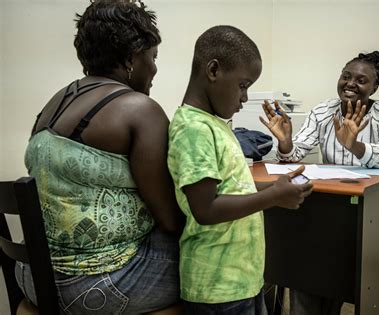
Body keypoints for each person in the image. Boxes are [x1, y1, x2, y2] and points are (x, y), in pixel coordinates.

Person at [15, 1, 184, 314]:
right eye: (153, 57)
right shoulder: (139, 109)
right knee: (220, 262)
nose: (155, 68)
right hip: (100, 286)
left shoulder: (55, 103)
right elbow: (170, 220)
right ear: (133, 57)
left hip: (33, 278)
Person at [167, 25, 314, 315]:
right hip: (216, 288)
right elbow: (206, 208)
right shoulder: (193, 128)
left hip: (241, 280)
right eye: (244, 85)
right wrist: (272, 198)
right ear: (213, 71)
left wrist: (275, 188)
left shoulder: (214, 125)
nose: (245, 98)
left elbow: (230, 189)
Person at [260, 51, 379, 314]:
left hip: (370, 204)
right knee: (306, 255)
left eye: (361, 80)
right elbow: (296, 152)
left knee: (334, 264)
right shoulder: (323, 110)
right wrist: (285, 142)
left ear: (375, 86)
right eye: (346, 76)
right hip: (328, 197)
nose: (350, 83)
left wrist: (356, 146)